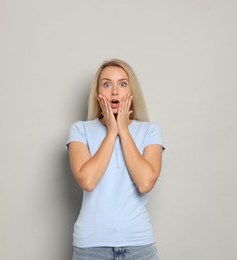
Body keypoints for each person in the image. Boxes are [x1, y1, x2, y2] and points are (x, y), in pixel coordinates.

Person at [66, 59, 164, 259]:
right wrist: (111, 133)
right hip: (91, 247)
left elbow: (145, 182)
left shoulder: (149, 131)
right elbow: (88, 180)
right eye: (107, 84)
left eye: (122, 84)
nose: (114, 92)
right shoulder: (80, 130)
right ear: (97, 94)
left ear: (131, 92)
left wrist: (123, 131)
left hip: (138, 246)